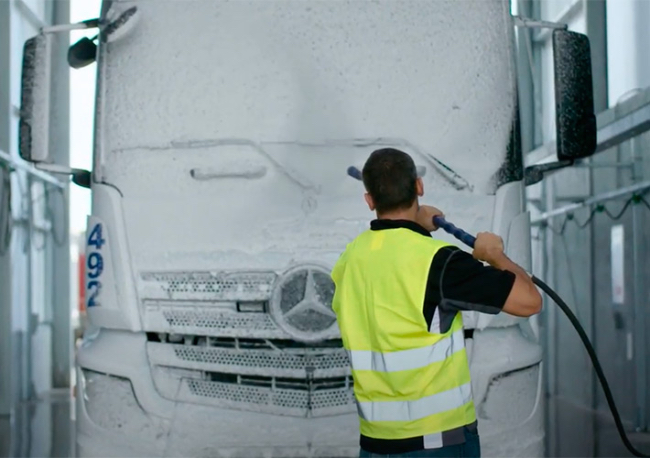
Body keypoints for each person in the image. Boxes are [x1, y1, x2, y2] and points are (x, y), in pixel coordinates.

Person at [331, 148, 542, 458]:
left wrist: (415, 225)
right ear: (419, 186)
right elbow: (529, 301)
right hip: (436, 444)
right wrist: (495, 256)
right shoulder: (439, 263)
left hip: (375, 445)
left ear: (370, 201)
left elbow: (393, 267)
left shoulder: (349, 260)